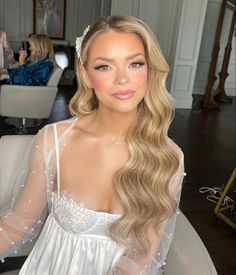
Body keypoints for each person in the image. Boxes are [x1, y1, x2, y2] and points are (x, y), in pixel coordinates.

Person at [0, 15, 185, 274]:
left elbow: (140, 258)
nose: (123, 79)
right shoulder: (53, 141)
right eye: (104, 67)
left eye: (135, 63)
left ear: (150, 69)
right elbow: (15, 225)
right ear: (86, 74)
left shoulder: (167, 157)